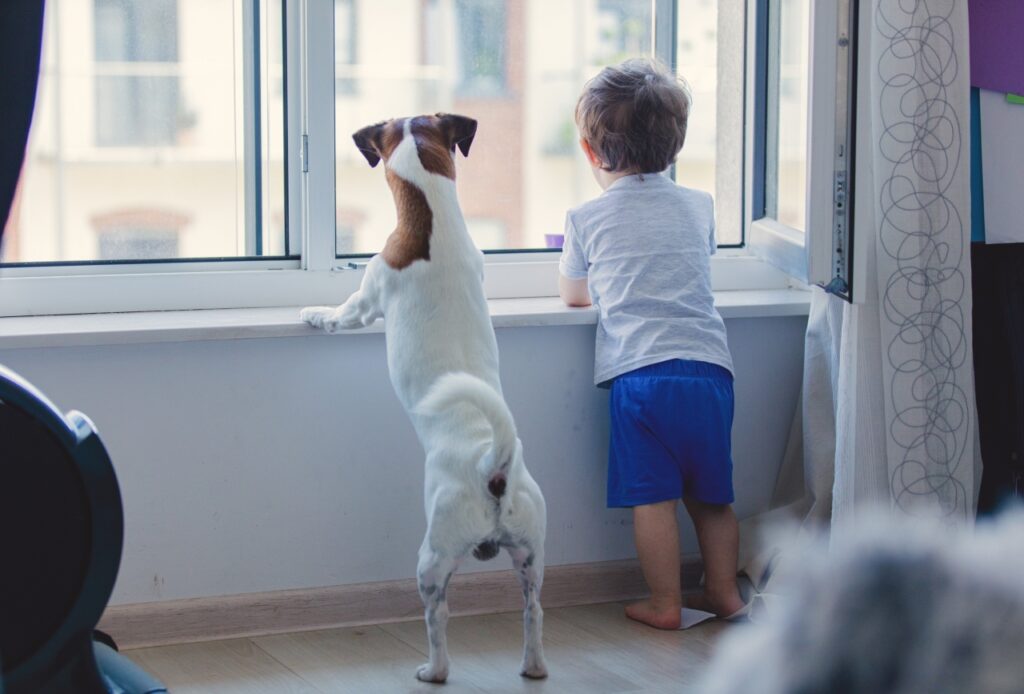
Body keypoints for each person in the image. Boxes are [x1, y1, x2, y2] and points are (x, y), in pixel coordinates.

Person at [558, 58, 745, 629]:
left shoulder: (587, 218)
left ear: (591, 153)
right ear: (676, 145)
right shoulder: (700, 206)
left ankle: (666, 604)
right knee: (713, 498)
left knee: (654, 500)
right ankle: (726, 594)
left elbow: (573, 295)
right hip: (711, 371)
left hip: (642, 378)